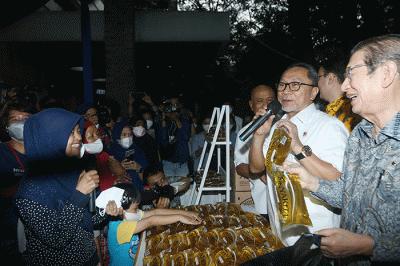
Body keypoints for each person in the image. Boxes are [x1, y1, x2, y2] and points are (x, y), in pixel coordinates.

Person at [283, 34, 400, 265]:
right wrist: (313, 183)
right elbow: (348, 195)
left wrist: (366, 245)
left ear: (386, 73)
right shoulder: (360, 134)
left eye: (351, 73)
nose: (344, 86)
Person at [248, 62, 349, 245]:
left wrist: (298, 148)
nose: (286, 91)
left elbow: (337, 179)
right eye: (282, 84)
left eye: (295, 85)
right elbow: (256, 168)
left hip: (317, 240)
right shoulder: (275, 125)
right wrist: (259, 135)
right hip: (280, 234)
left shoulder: (330, 126)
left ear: (313, 92)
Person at [13, 108, 120, 265]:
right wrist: (79, 194)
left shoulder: (75, 172)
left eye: (78, 131)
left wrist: (105, 211)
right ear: (50, 137)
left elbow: (87, 219)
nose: (78, 138)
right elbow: (57, 238)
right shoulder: (29, 191)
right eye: (71, 132)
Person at [105, 183, 202, 266]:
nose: (138, 211)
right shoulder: (118, 227)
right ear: (120, 208)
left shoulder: (129, 215)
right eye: (135, 208)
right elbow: (151, 220)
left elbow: (155, 212)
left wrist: (187, 213)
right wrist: (180, 218)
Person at [0, 98, 37, 263]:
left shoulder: (43, 152)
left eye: (26, 119)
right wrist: (23, 187)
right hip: (9, 236)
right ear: (6, 126)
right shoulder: (1, 153)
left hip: (41, 233)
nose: (21, 124)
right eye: (15, 120)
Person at [234, 85, 276, 220]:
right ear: (251, 105)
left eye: (270, 100)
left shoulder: (285, 126)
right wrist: (260, 173)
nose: (266, 105)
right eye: (260, 101)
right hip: (263, 203)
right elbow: (240, 166)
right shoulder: (245, 133)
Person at [318, 55, 362, 132]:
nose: (317, 83)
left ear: (330, 78)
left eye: (319, 77)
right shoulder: (329, 110)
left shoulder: (354, 110)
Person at [156, 96, 191, 178]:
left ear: (180, 105)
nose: (173, 107)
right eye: (171, 105)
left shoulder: (184, 119)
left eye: (175, 104)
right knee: (168, 186)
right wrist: (164, 117)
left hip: (181, 161)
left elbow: (186, 137)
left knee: (182, 185)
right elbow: (162, 137)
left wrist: (177, 120)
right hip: (167, 161)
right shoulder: (163, 121)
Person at [108, 121, 148, 193]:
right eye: (124, 134)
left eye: (130, 134)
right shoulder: (111, 154)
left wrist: (138, 168)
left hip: (140, 190)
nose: (128, 137)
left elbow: (148, 175)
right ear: (117, 135)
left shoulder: (138, 150)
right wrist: (119, 167)